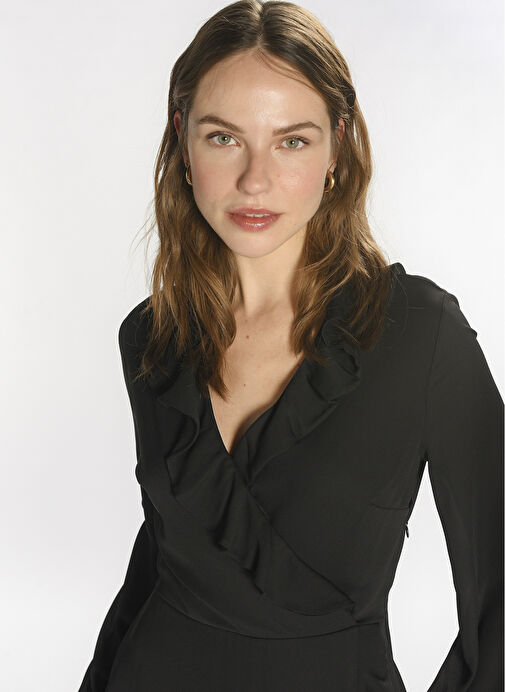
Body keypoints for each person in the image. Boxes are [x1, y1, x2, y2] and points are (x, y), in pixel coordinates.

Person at [78, 1, 504, 690]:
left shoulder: (420, 334)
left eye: (292, 141)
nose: (255, 179)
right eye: (224, 137)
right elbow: (157, 564)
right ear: (183, 142)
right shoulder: (152, 337)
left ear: (337, 147)